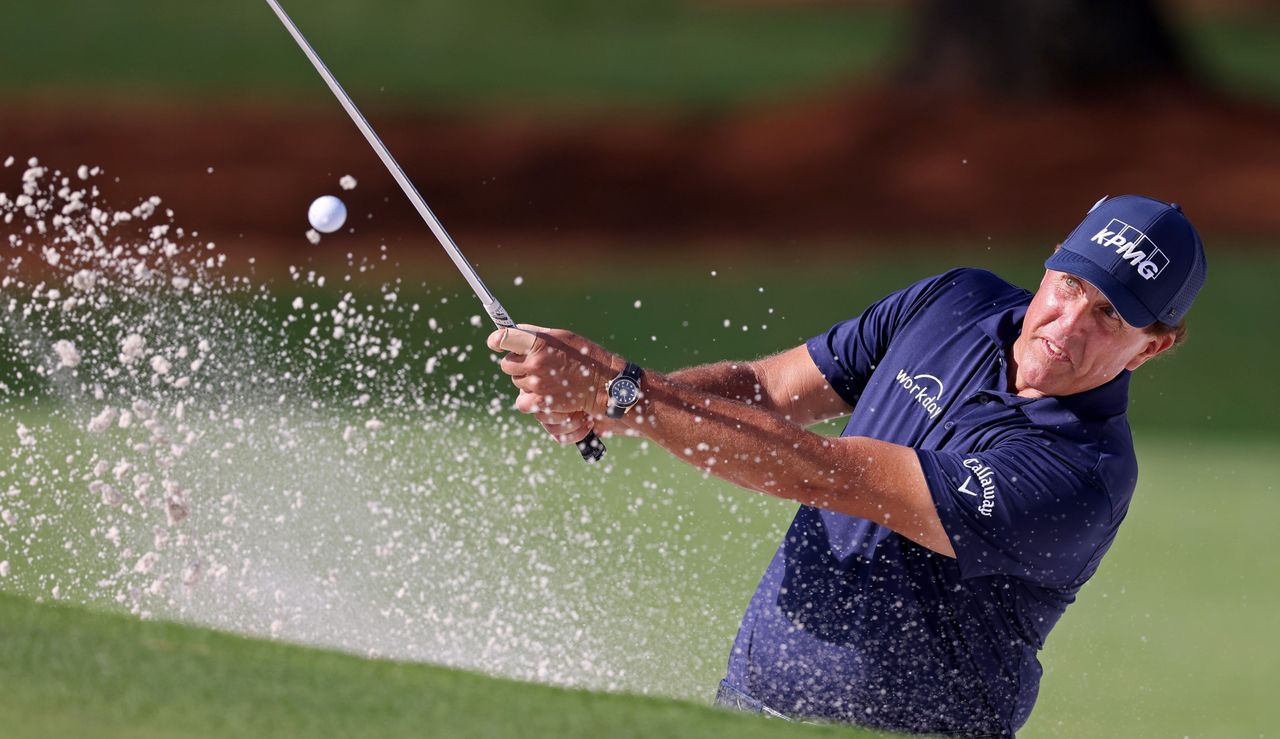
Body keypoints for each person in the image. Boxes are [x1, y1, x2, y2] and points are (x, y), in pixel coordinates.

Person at [486, 195, 1206, 737]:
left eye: (1110, 315)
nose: (1068, 323)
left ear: (1154, 346)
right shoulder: (957, 300)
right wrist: (607, 407)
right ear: (1052, 260)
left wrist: (626, 389)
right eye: (1073, 285)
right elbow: (768, 389)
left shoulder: (1081, 472)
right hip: (749, 707)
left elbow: (832, 475)